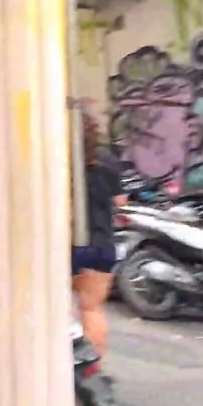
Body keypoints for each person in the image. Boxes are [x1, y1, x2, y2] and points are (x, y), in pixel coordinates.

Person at [72, 111, 126, 358]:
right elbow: (120, 201)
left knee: (57, 309)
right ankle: (93, 368)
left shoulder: (55, 155)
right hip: (101, 242)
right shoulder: (105, 159)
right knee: (91, 309)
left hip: (66, 243)